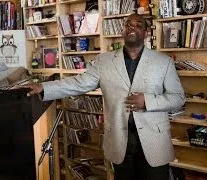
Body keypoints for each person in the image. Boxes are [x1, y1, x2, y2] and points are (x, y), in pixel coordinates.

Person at [23, 13, 185, 180]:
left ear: (146, 33)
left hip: (155, 143)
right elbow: (79, 83)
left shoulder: (163, 62)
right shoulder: (104, 61)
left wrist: (148, 101)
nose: (131, 27)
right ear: (122, 30)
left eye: (138, 25)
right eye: (128, 24)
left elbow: (178, 98)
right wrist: (44, 87)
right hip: (120, 142)